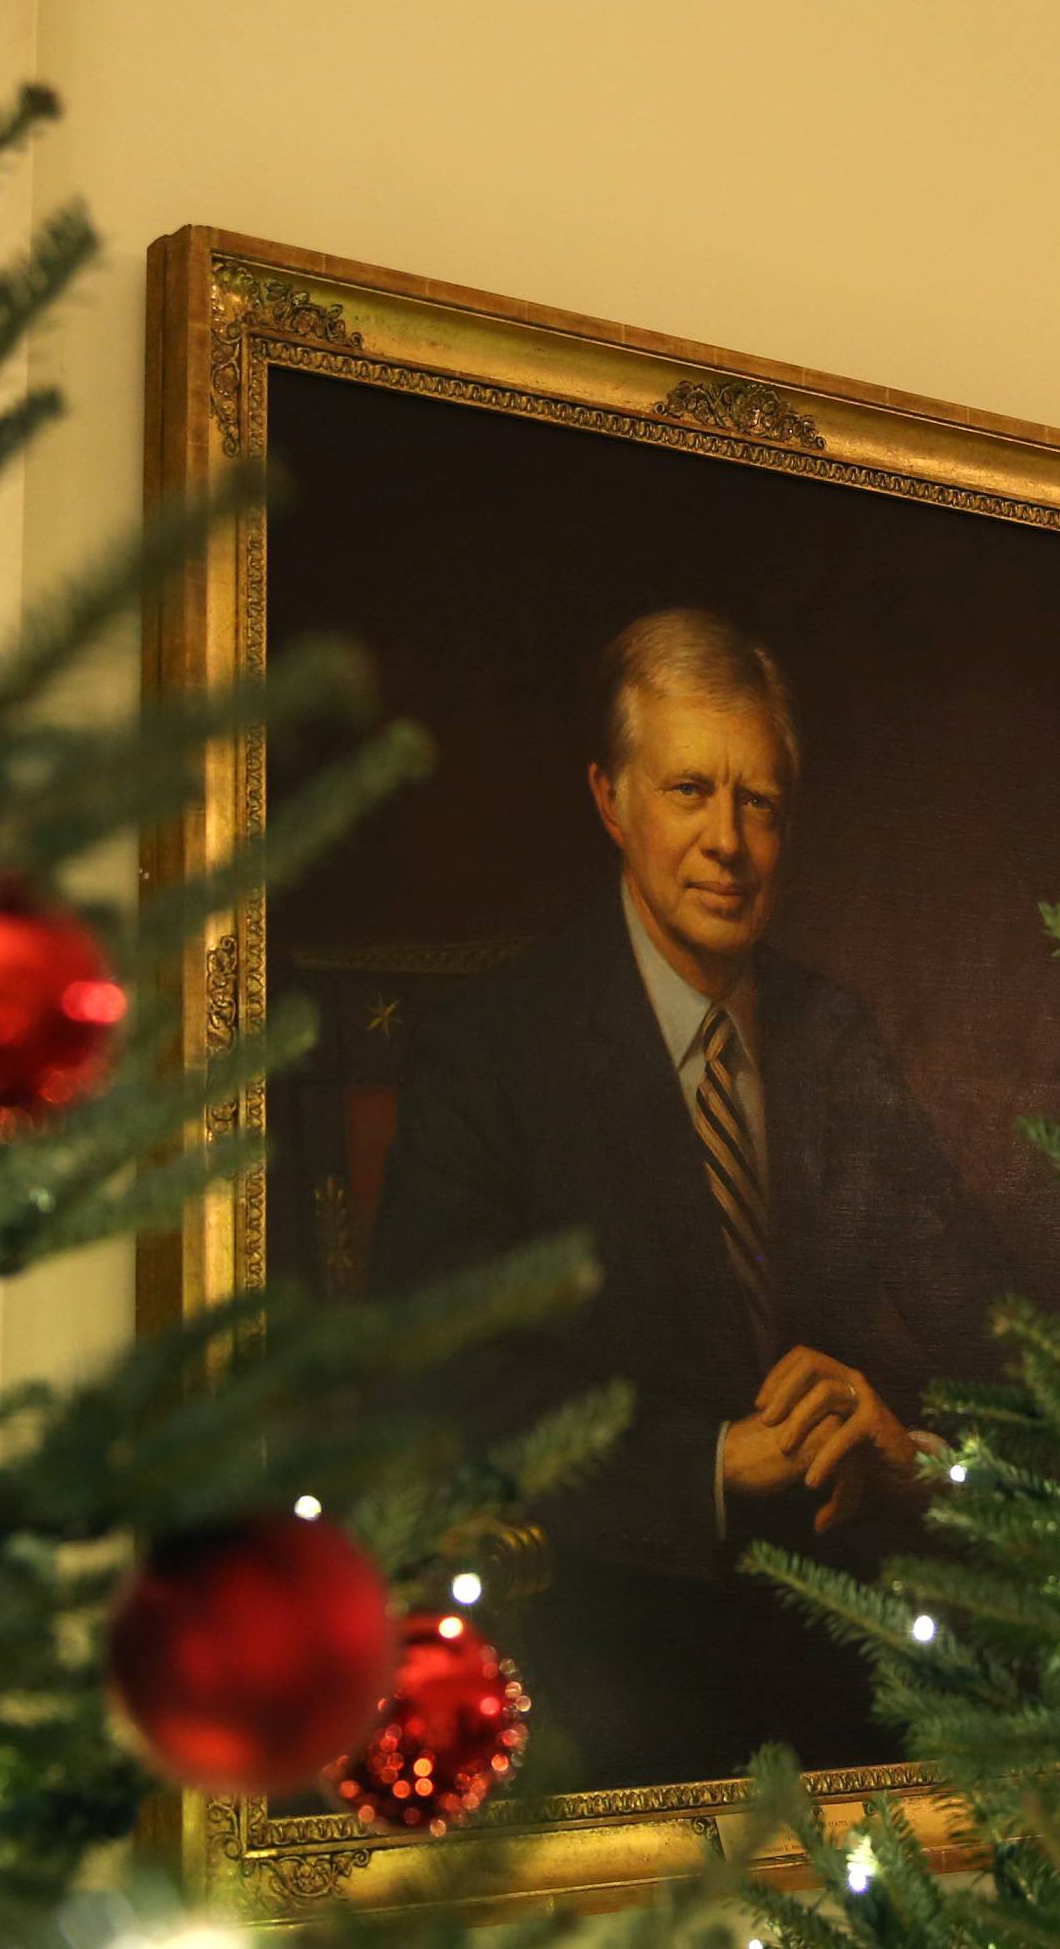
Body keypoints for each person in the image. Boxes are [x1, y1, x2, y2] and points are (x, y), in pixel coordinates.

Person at [371, 608, 1012, 1787]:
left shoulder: (832, 1034)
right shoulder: (497, 1047)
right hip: (607, 1653)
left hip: (857, 1626)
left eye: (758, 800)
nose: (729, 840)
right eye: (689, 791)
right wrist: (714, 1460)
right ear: (611, 801)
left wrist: (905, 1443)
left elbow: (996, 1325)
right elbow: (438, 1376)